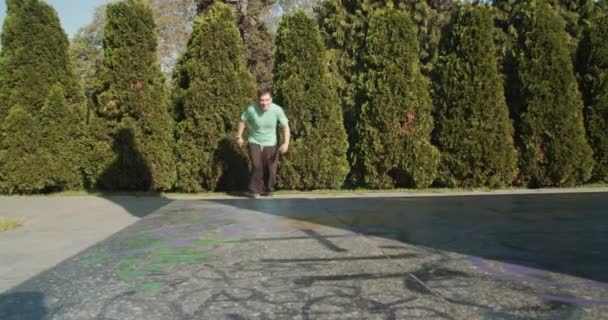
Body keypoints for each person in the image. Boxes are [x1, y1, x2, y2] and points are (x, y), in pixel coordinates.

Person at [236, 88, 290, 198]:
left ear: (271, 99)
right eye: (261, 100)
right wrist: (239, 136)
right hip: (254, 140)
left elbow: (285, 127)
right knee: (256, 165)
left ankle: (269, 189)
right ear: (258, 100)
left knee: (271, 168)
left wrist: (286, 143)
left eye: (267, 100)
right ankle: (255, 190)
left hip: (271, 142)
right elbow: (242, 121)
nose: (264, 103)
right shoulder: (251, 109)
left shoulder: (277, 110)